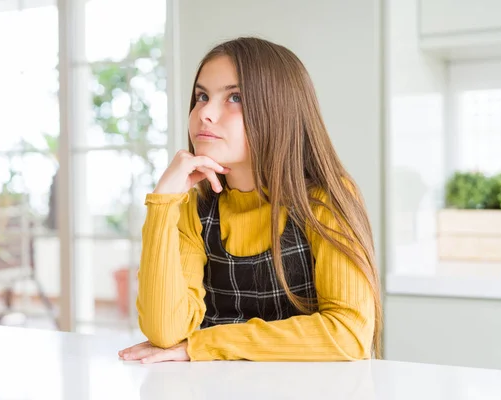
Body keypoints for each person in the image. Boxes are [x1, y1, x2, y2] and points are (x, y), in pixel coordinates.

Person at [118, 37, 382, 363]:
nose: (206, 114)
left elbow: (349, 333)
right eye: (202, 97)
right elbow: (164, 332)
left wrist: (203, 345)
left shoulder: (324, 201)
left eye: (234, 97)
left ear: (279, 110)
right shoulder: (190, 207)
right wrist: (161, 203)